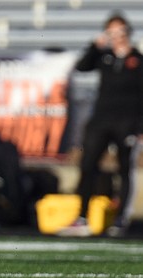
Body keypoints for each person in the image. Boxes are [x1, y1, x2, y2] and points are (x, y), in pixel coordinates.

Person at [60, 13, 143, 237]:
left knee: (124, 169)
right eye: (111, 32)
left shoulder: (138, 59)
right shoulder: (103, 57)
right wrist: (95, 47)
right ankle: (83, 217)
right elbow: (82, 66)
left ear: (127, 32)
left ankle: (120, 220)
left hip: (127, 123)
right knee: (87, 166)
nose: (115, 36)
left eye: (119, 31)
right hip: (101, 120)